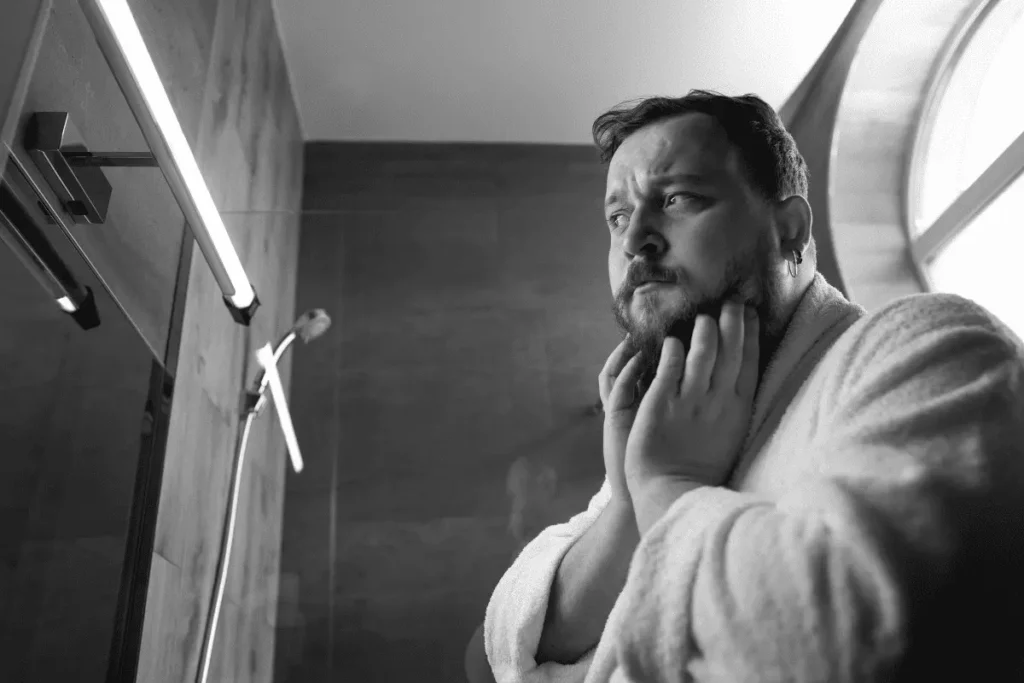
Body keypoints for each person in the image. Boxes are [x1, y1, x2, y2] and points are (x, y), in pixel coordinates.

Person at [465, 89, 1024, 683]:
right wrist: (628, 503)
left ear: (788, 230)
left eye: (677, 198)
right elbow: (490, 653)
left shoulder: (931, 347)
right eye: (618, 216)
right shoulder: (670, 428)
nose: (635, 241)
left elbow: (844, 647)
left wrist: (668, 489)